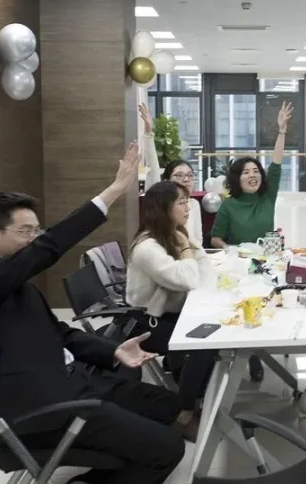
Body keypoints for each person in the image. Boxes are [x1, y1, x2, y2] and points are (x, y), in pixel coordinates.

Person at [0, 143, 186, 484]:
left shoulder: (17, 285)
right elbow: (47, 249)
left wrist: (114, 351)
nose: (34, 239)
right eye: (25, 231)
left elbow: (61, 334)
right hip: (46, 409)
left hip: (78, 384)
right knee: (169, 449)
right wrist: (113, 192)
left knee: (167, 405)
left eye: (36, 231)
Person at [127, 181, 220, 442]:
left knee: (214, 333)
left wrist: (188, 244)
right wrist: (187, 247)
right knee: (204, 343)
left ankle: (196, 399)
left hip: (171, 314)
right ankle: (184, 413)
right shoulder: (147, 247)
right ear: (163, 208)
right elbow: (188, 279)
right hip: (147, 324)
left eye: (187, 201)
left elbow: (204, 273)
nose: (188, 207)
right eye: (181, 202)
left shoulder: (173, 234)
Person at [210, 101, 294, 382]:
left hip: (268, 261)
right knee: (246, 306)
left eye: (255, 171)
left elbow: (277, 164)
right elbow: (215, 238)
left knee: (271, 305)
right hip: (240, 267)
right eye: (246, 172)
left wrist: (281, 131)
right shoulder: (229, 206)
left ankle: (261, 349)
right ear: (237, 179)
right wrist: (231, 249)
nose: (253, 175)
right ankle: (248, 353)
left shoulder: (267, 197)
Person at [139, 104, 203, 244]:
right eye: (179, 175)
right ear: (167, 181)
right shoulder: (162, 204)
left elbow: (198, 240)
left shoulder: (194, 204)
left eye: (190, 175)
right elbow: (153, 169)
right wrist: (148, 134)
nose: (186, 180)